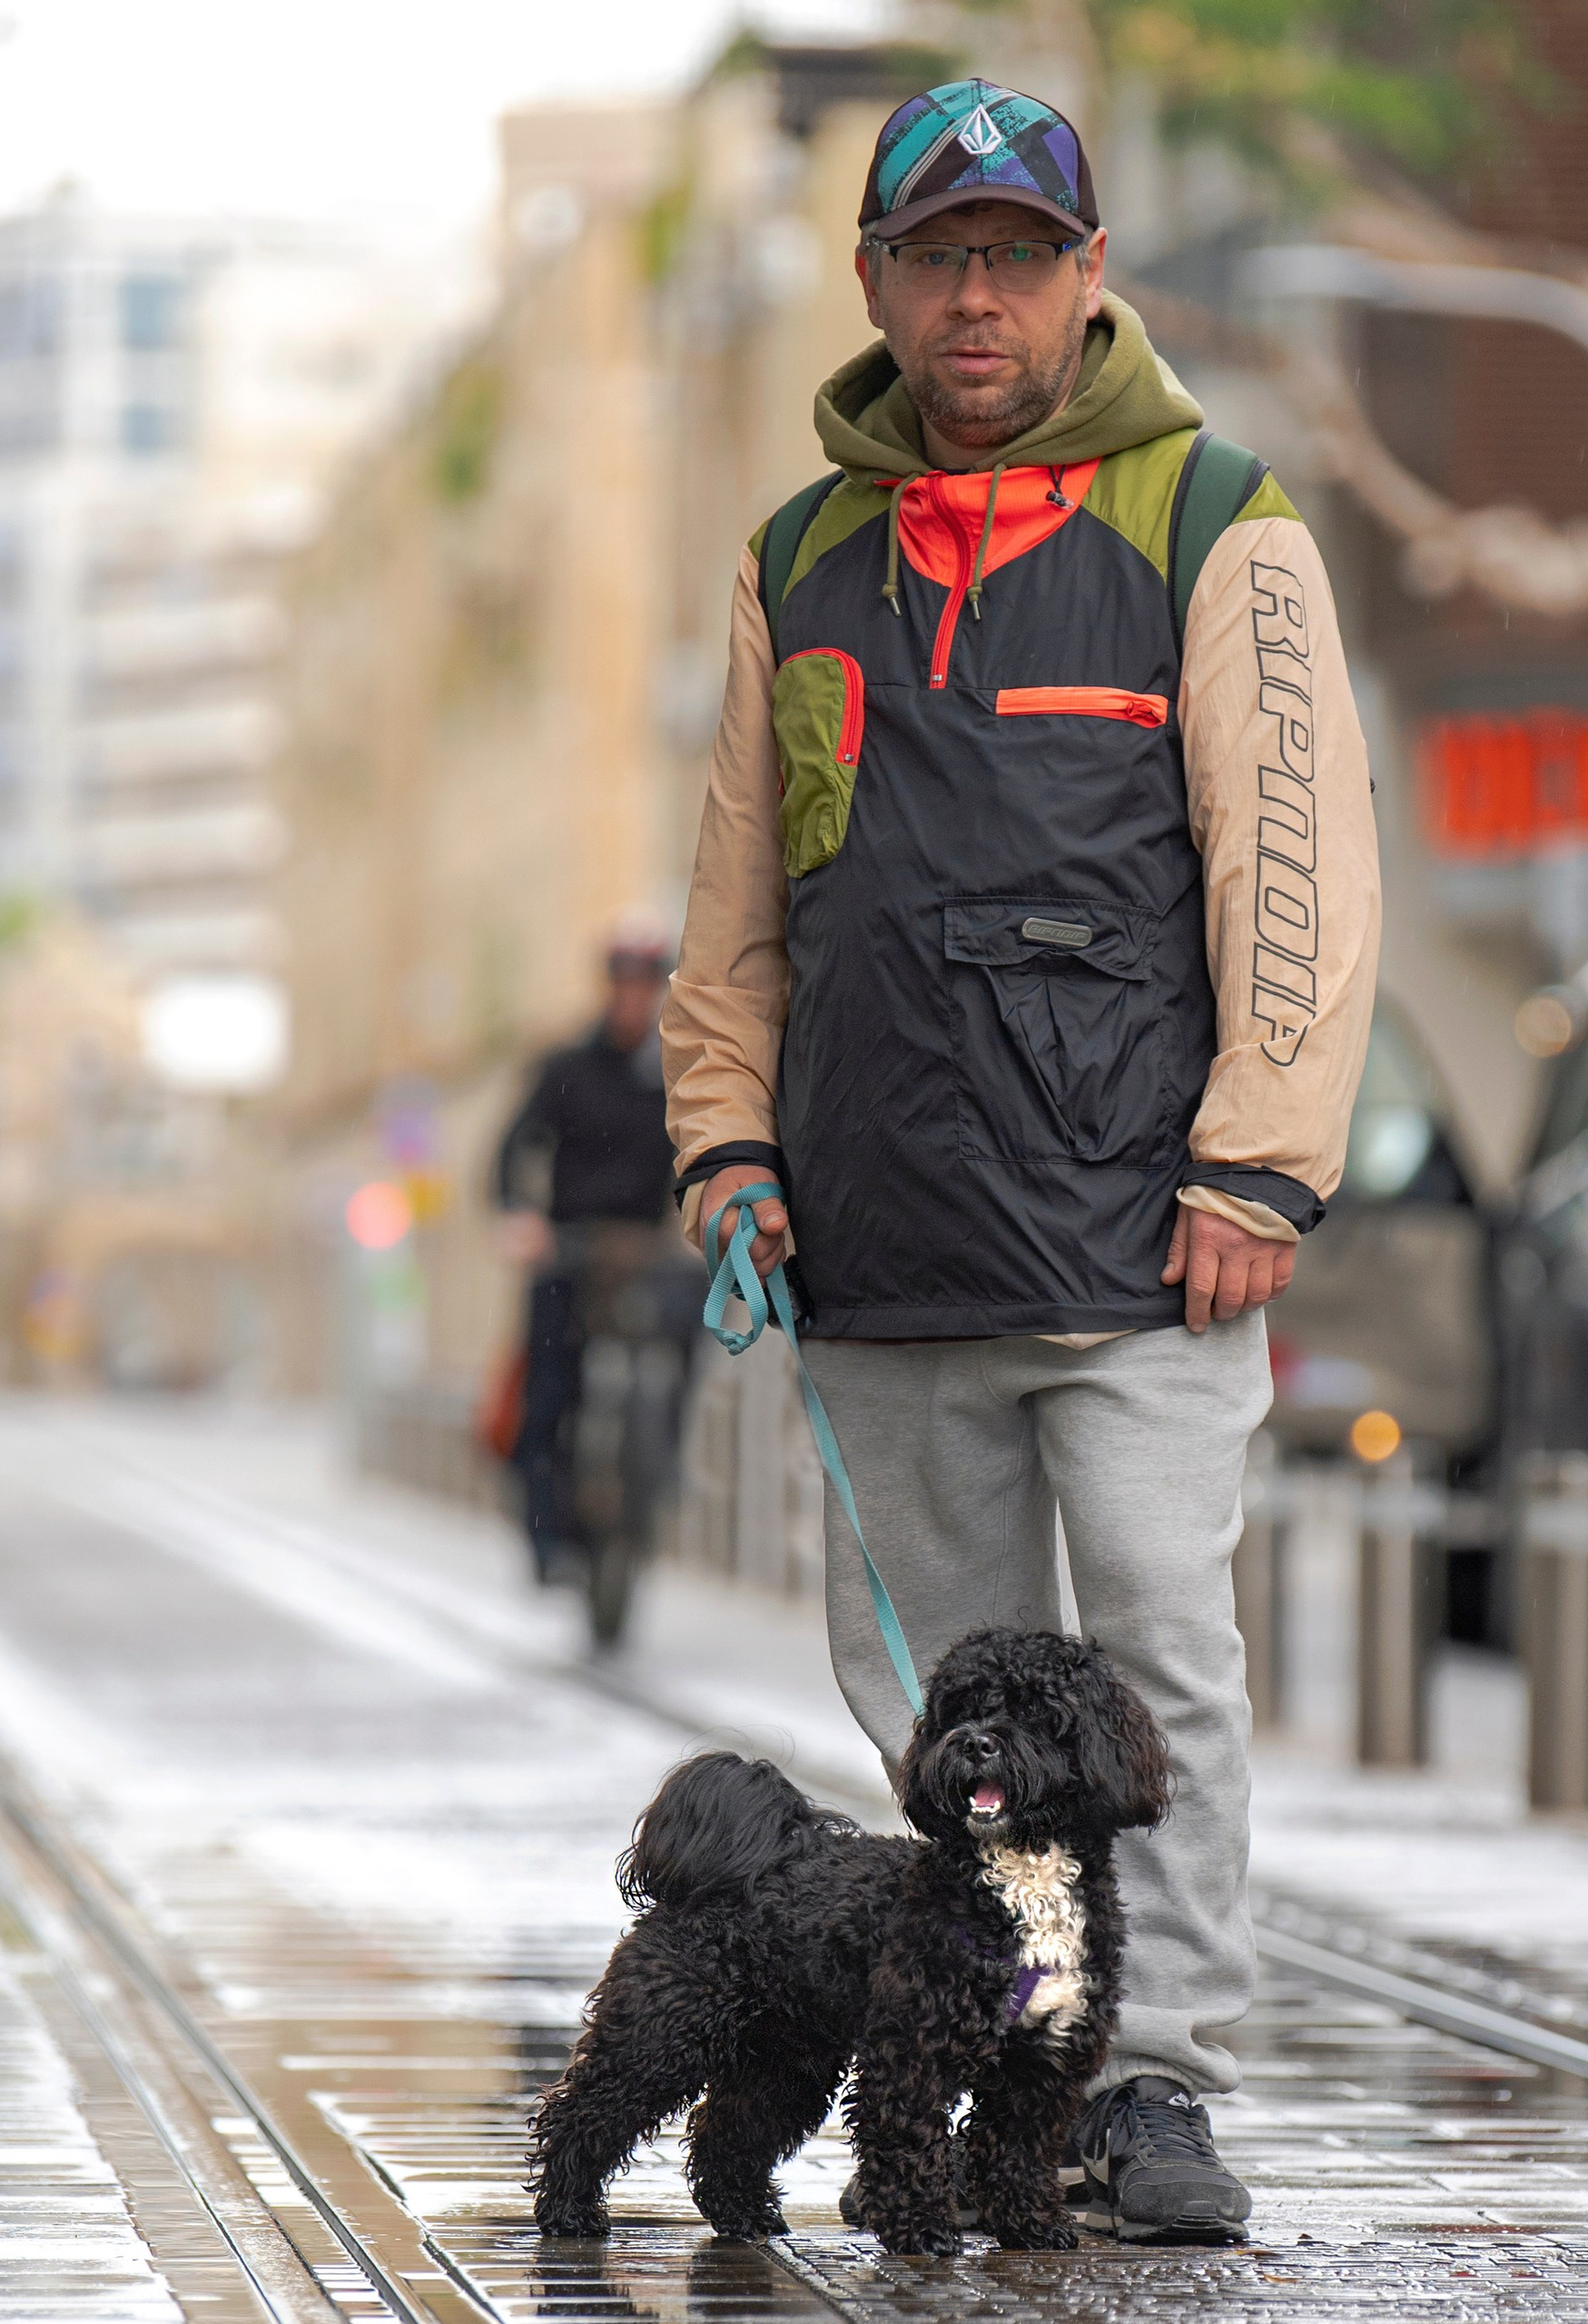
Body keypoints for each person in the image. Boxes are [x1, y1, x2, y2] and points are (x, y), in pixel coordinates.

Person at [660, 80, 1378, 2241]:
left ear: (1084, 278)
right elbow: (740, 904)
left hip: (1140, 1249)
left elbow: (1291, 862)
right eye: (932, 255)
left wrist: (1254, 1159)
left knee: (1155, 1681)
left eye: (1014, 255)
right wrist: (724, 1142)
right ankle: (990, 2074)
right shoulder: (800, 557)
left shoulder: (1210, 520)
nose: (973, 296)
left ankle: (1151, 2080)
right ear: (873, 281)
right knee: (935, 1710)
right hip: (875, 1247)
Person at [496, 926, 685, 1584]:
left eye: (647, 986)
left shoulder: (675, 1070)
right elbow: (510, 1149)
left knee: (694, 1339)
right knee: (549, 1389)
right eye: (624, 985)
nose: (635, 999)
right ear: (608, 988)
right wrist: (518, 1219)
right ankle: (548, 1540)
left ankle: (661, 1483)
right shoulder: (566, 1066)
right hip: (567, 1247)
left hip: (644, 1252)